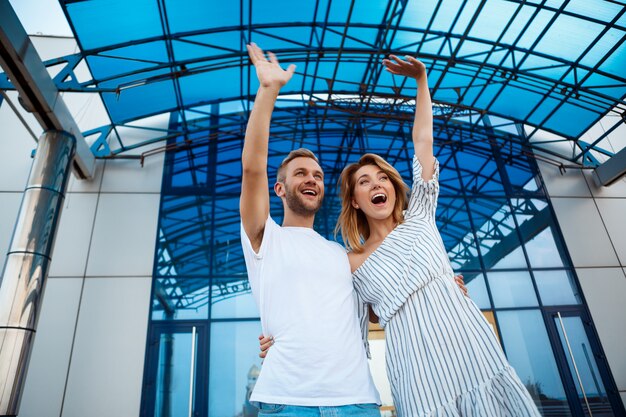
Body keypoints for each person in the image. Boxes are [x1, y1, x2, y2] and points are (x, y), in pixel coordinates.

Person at [336, 54, 542, 417]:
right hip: (416, 371)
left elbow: (423, 143)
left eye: (383, 177)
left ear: (394, 187)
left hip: (468, 345)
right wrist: (277, 339)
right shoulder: (351, 262)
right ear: (355, 201)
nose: (377, 184)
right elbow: (341, 317)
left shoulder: (420, 215)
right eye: (365, 182)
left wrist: (421, 81)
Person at [240, 42, 381, 417]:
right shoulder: (264, 237)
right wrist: (269, 91)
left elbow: (389, 296)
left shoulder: (343, 256)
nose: (312, 179)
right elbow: (253, 167)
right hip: (288, 401)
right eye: (300, 173)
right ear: (280, 189)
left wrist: (445, 287)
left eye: (317, 175)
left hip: (357, 402)